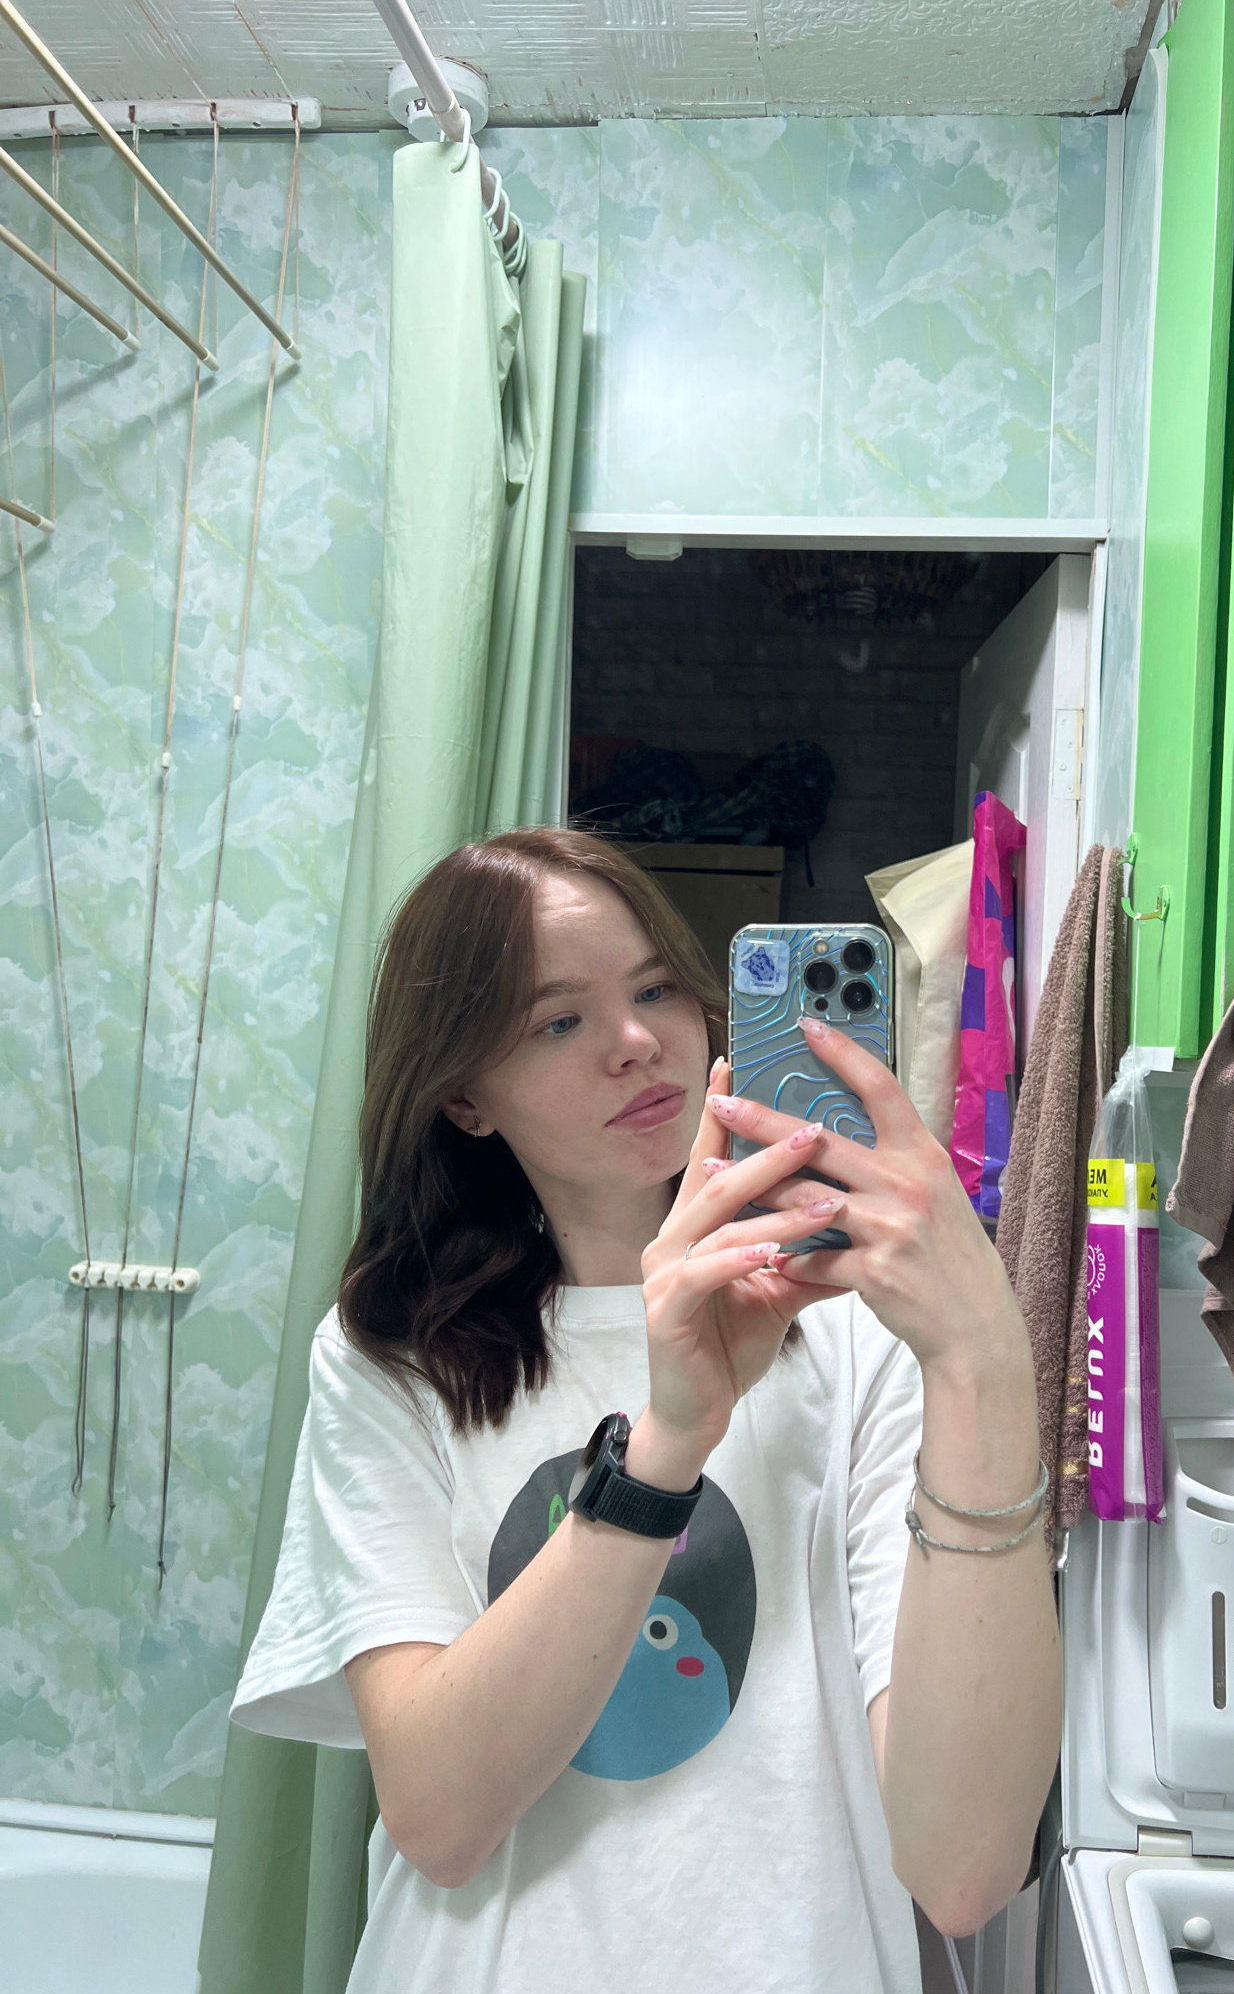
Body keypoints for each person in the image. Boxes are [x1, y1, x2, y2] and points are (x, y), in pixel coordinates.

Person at [231, 827, 1060, 1994]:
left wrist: (984, 1356)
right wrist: (667, 1444)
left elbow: (963, 1869)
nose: (637, 1040)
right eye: (558, 1020)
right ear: (464, 1094)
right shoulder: (395, 1358)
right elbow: (439, 1816)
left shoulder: (863, 1328)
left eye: (658, 987)